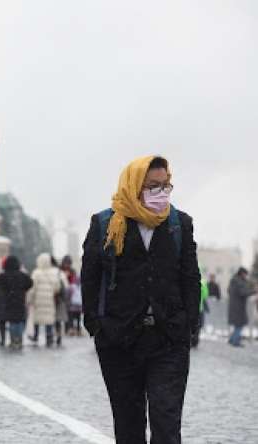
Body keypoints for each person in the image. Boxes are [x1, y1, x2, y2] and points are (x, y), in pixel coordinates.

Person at [81, 155, 200, 443]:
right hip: (119, 341)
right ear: (134, 186)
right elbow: (90, 277)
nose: (161, 193)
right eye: (152, 186)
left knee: (166, 423)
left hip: (168, 339)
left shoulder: (178, 224)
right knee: (128, 426)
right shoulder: (105, 224)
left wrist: (187, 325)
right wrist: (97, 326)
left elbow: (190, 278)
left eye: (166, 186)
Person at [0, 256, 33, 349]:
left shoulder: (2, 276)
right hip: (20, 301)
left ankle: (14, 340)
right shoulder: (22, 275)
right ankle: (19, 339)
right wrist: (23, 289)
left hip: (8, 302)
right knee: (20, 321)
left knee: (12, 322)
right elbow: (30, 283)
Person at [27, 253, 61, 347]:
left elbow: (32, 288)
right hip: (49, 301)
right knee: (48, 319)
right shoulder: (54, 272)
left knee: (36, 319)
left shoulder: (36, 273)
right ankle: (49, 337)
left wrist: (29, 299)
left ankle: (36, 335)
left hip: (38, 301)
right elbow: (57, 288)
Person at [227, 267, 254, 347]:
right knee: (240, 324)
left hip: (234, 305)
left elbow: (228, 291)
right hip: (238, 306)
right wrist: (254, 291)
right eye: (245, 274)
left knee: (237, 324)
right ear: (242, 273)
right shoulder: (239, 282)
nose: (246, 276)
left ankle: (232, 339)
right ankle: (235, 341)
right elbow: (243, 293)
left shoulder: (234, 280)